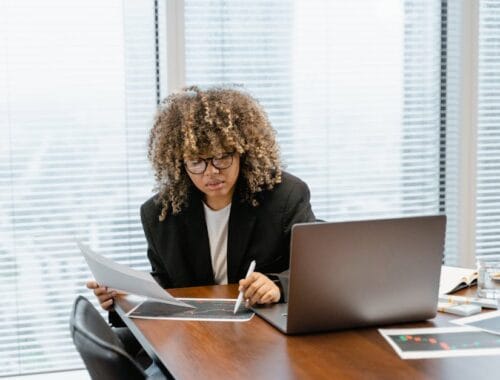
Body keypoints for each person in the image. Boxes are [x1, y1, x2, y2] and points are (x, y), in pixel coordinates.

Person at [87, 85, 316, 318]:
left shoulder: (285, 197)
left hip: (263, 330)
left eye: (221, 157)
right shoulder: (161, 213)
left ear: (242, 152)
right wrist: (124, 296)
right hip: (195, 335)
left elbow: (316, 268)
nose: (211, 172)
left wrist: (277, 285)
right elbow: (167, 284)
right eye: (196, 161)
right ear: (179, 163)